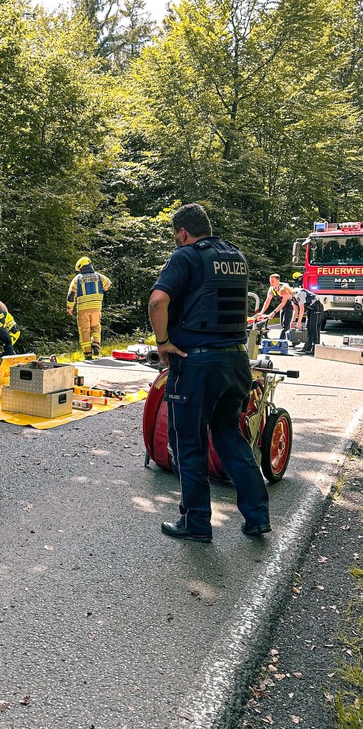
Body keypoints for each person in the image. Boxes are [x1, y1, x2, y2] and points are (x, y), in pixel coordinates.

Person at [148, 203, 270, 543]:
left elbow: (158, 301)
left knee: (188, 443)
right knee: (229, 434)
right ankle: (258, 517)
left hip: (197, 364)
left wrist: (163, 343)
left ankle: (196, 523)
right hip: (235, 361)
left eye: (176, 235)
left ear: (183, 232)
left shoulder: (186, 256)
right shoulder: (235, 257)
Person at [66, 257, 112, 359]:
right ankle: (95, 343)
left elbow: (71, 294)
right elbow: (108, 285)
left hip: (83, 309)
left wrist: (70, 307)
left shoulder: (77, 278)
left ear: (81, 268)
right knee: (96, 326)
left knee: (84, 330)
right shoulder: (99, 277)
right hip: (96, 307)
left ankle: (88, 354)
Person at [291, 286, 324, 355]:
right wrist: (293, 321)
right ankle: (307, 347)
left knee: (314, 328)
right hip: (310, 309)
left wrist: (299, 322)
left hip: (316, 308)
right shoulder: (292, 297)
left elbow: (302, 309)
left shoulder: (299, 294)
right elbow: (296, 310)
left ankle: (316, 348)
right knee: (308, 328)